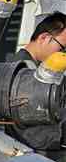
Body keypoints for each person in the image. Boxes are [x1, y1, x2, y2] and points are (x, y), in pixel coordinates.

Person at [9, 11, 66, 153]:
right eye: (63, 48)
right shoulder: (23, 72)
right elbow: (29, 131)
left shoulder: (38, 68)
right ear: (44, 38)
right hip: (36, 151)